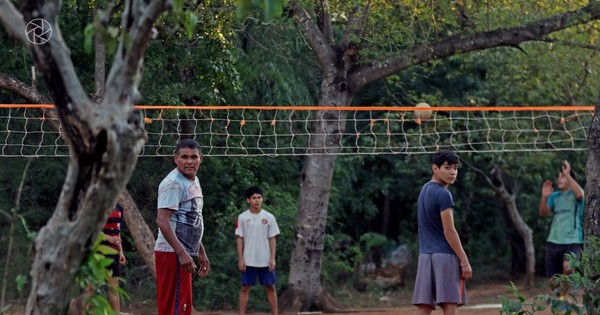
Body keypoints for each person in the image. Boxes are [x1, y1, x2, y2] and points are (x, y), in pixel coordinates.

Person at [154, 139, 210, 315]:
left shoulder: (194, 181)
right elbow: (162, 220)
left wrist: (200, 250)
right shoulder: (173, 184)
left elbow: (191, 219)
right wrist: (182, 253)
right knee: (174, 306)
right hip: (172, 253)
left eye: (194, 157)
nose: (189, 161)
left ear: (200, 158)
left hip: (184, 251)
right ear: (176, 158)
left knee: (182, 305)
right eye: (184, 157)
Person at [412, 150, 472, 315]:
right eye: (447, 167)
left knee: (424, 307)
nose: (453, 172)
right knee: (449, 305)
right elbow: (449, 231)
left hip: (425, 256)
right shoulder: (444, 194)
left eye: (455, 168)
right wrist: (464, 260)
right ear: (435, 168)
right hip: (444, 257)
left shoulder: (424, 190)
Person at [539, 160, 584, 294]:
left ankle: (572, 290)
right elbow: (543, 213)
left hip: (573, 240)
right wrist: (544, 198)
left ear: (570, 179)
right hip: (554, 240)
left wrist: (568, 174)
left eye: (562, 176)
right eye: (559, 176)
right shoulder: (555, 196)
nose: (559, 178)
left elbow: (580, 194)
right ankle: (563, 297)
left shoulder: (576, 194)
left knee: (569, 267)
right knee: (553, 282)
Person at [235, 186, 280, 315]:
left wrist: (272, 258)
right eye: (254, 198)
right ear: (248, 200)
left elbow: (272, 238)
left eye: (259, 197)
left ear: (262, 199)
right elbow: (239, 238)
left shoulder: (269, 217)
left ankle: (275, 313)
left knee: (271, 287)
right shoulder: (242, 217)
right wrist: (241, 259)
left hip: (265, 259)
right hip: (248, 259)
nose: (257, 200)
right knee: (245, 288)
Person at [100, 203, 127, 313]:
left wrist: (121, 251)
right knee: (90, 287)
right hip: (98, 251)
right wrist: (108, 238)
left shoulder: (120, 207)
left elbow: (117, 231)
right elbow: (91, 230)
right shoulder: (99, 205)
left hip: (113, 252)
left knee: (114, 287)